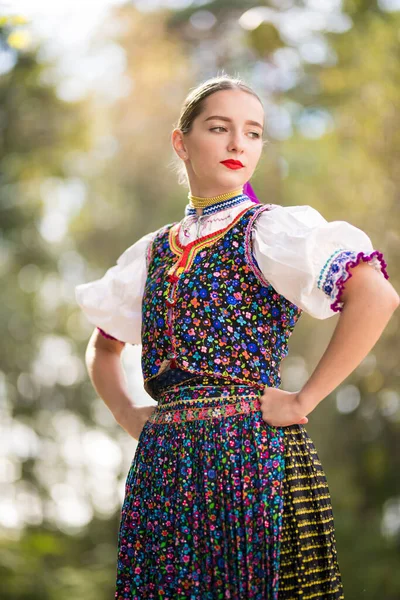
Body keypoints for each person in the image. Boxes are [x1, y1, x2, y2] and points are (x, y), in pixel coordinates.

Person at [75, 74, 399, 600]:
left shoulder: (270, 230)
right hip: (165, 468)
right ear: (181, 141)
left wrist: (303, 399)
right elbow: (104, 346)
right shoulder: (151, 253)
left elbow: (376, 295)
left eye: (252, 133)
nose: (237, 145)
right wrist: (130, 415)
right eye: (220, 128)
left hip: (253, 458)